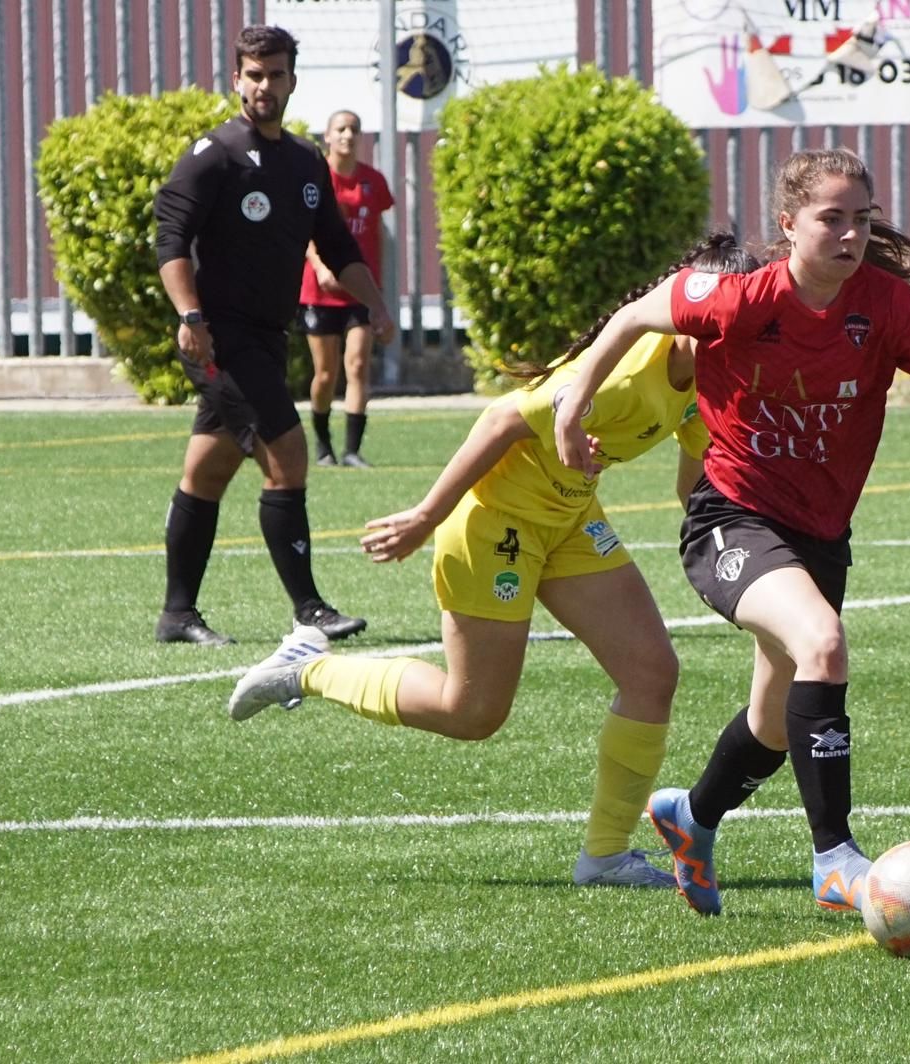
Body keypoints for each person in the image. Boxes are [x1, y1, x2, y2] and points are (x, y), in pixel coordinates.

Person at [551, 148, 910, 916]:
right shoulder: (738, 299)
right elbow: (629, 318)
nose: (851, 235)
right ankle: (835, 859)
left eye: (862, 219)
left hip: (820, 535)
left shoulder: (884, 307)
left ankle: (692, 817)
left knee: (774, 721)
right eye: (832, 218)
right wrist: (570, 407)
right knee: (822, 642)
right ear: (789, 224)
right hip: (730, 519)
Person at [226, 234, 763, 889]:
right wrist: (425, 517)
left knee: (652, 672)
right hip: (495, 527)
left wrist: (749, 550)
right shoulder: (621, 372)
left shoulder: (709, 377)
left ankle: (604, 857)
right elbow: (501, 419)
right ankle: (310, 668)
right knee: (472, 712)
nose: (727, 333)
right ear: (681, 310)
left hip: (569, 520)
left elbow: (695, 487)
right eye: (714, 320)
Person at [151, 25, 395, 646]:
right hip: (219, 341)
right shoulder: (215, 154)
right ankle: (309, 608)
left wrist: (375, 304)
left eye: (276, 74)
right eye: (254, 75)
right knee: (287, 456)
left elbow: (337, 246)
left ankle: (177, 615)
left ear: (291, 80)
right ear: (237, 79)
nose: (264, 85)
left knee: (206, 472)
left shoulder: (304, 162)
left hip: (265, 336)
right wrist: (190, 317)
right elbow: (170, 237)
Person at [299, 109, 395, 469]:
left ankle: (352, 450)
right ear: (327, 135)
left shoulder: (373, 181)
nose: (348, 135)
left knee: (357, 366)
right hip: (320, 290)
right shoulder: (314, 177)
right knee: (325, 374)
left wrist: (375, 287)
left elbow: (376, 236)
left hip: (360, 291)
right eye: (340, 129)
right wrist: (321, 266)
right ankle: (323, 447)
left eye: (354, 129)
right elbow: (307, 230)